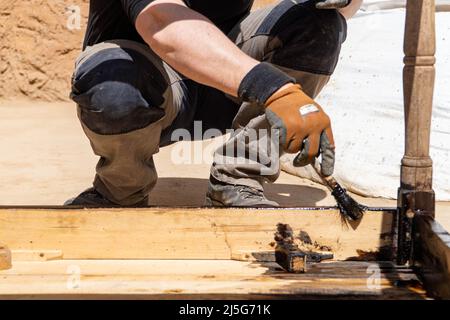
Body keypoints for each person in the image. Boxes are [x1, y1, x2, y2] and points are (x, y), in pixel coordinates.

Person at [66, 0, 362, 207]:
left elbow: (339, 12)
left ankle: (239, 180)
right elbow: (160, 23)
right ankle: (120, 188)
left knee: (317, 23)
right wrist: (277, 91)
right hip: (142, 91)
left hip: (225, 86)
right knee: (112, 84)